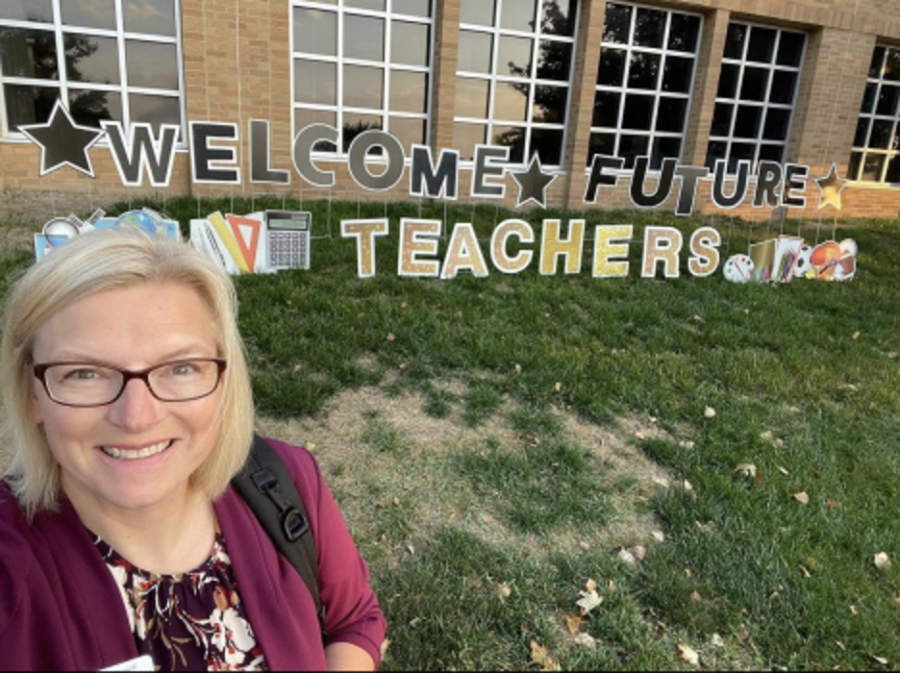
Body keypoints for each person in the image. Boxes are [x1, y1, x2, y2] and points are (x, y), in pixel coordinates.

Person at [0, 229, 386, 670]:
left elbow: (354, 621)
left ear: (223, 380)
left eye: (181, 367)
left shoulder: (288, 481)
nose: (137, 417)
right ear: (32, 394)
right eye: (85, 373)